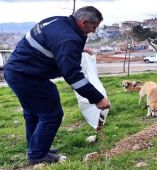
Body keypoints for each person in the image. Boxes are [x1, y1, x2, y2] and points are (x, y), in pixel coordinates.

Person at [4, 6, 110, 165]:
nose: (94, 31)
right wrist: (98, 98)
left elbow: (54, 42)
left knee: (33, 113)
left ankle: (36, 148)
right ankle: (38, 155)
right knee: (51, 115)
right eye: (94, 27)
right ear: (83, 22)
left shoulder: (57, 21)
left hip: (19, 71)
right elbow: (73, 76)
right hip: (27, 77)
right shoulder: (68, 39)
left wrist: (79, 49)